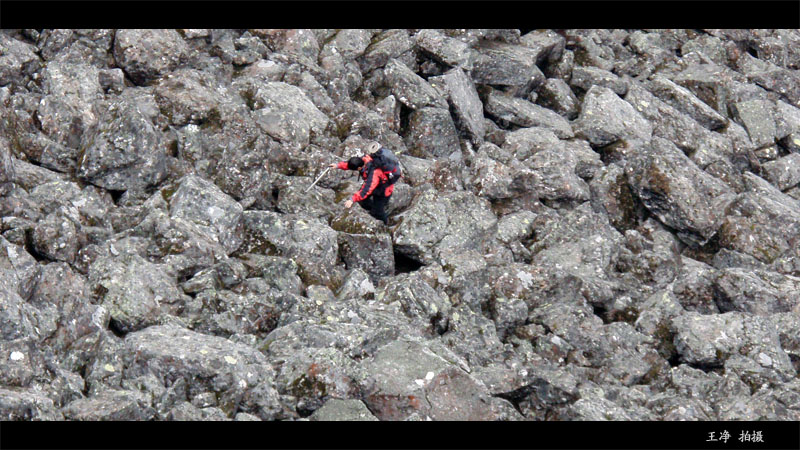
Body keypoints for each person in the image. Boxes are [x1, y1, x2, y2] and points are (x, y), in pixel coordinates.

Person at [330, 142, 397, 225]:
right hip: (376, 184)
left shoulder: (374, 173)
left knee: (378, 211)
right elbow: (350, 164)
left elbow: (366, 190)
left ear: (359, 168)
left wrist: (352, 199)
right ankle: (372, 210)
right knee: (364, 201)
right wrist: (338, 165)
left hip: (384, 189)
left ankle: (385, 223)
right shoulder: (364, 159)